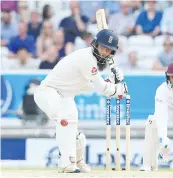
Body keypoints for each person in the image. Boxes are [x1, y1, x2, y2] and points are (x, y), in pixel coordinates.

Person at [34, 29, 128, 173]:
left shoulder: (90, 63)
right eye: (102, 47)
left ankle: (78, 161)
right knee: (66, 118)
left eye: (108, 50)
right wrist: (118, 89)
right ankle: (66, 163)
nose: (104, 52)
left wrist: (111, 83)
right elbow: (102, 88)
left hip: (65, 97)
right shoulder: (87, 58)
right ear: (95, 44)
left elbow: (90, 87)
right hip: (47, 92)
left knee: (76, 132)